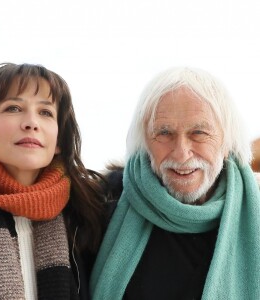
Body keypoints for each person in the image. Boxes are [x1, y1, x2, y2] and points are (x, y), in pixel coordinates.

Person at [90, 67, 260, 300]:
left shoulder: (254, 210)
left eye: (198, 132)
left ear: (227, 141)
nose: (181, 154)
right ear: (145, 142)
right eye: (164, 132)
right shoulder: (99, 205)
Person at [0, 63, 105, 300]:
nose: (31, 123)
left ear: (59, 140)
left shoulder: (88, 218)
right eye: (14, 108)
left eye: (45, 112)